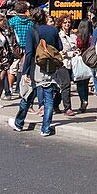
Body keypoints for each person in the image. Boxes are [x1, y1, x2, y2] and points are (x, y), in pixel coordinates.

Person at [11, 8, 59, 136]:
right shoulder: (53, 30)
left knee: (28, 95)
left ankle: (19, 123)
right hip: (49, 66)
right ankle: (45, 128)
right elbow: (59, 47)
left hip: (34, 66)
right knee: (48, 97)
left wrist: (25, 71)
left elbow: (29, 53)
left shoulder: (32, 31)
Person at [54, 17, 78, 116]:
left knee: (63, 86)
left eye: (68, 22)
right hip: (62, 63)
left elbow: (75, 47)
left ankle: (55, 104)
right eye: (65, 22)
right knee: (66, 84)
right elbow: (58, 51)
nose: (67, 24)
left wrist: (77, 51)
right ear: (61, 24)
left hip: (72, 63)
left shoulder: (73, 35)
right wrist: (69, 53)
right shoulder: (58, 35)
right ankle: (67, 108)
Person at [72, 18, 93, 114]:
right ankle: (85, 100)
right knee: (86, 82)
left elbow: (77, 46)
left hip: (80, 60)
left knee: (80, 82)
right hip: (88, 60)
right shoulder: (90, 37)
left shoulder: (78, 37)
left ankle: (83, 100)